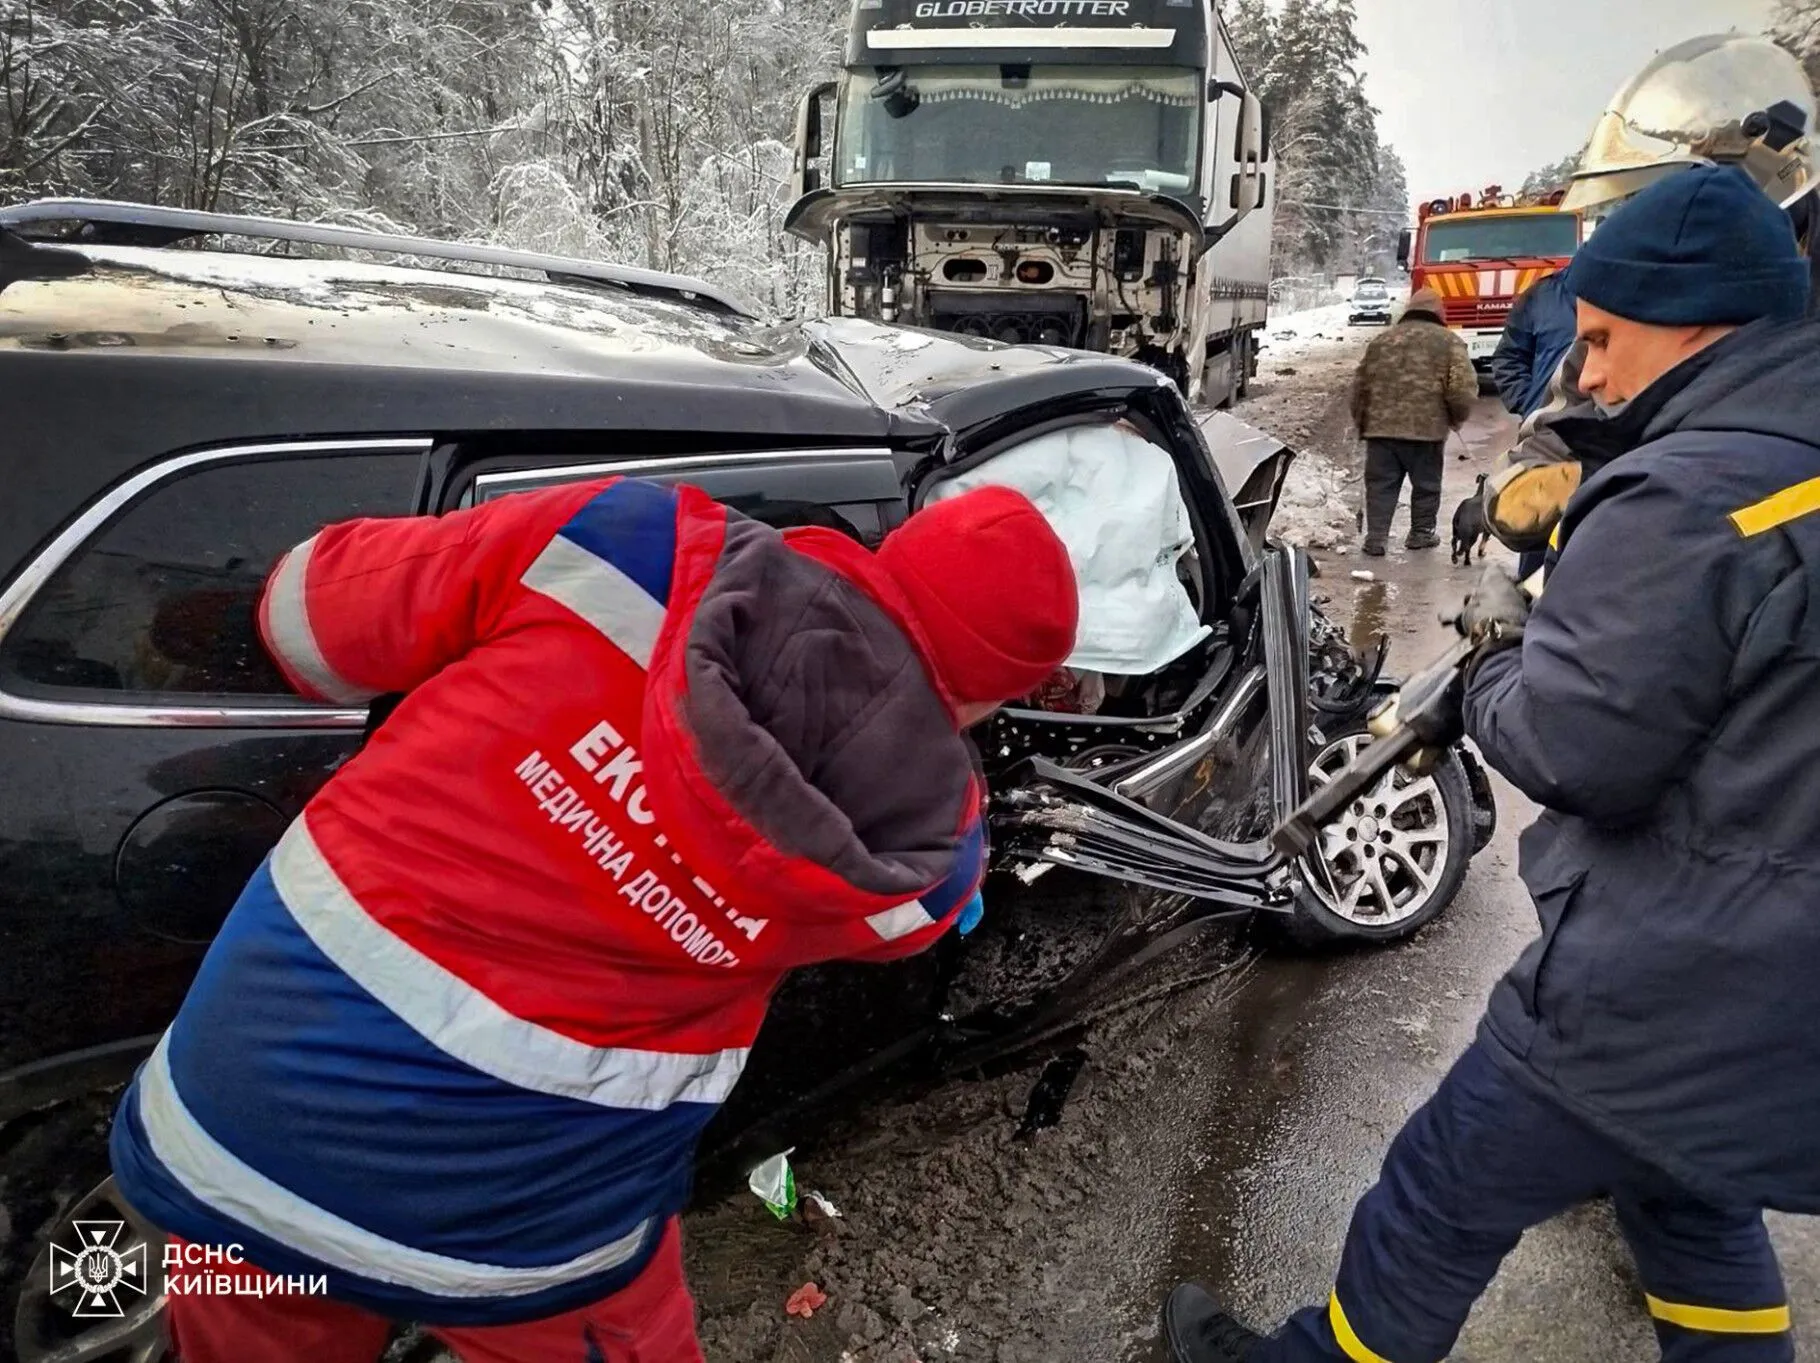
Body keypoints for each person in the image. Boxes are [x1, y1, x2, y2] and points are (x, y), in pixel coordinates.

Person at [108, 477, 1079, 1363]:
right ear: (990, 694)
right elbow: (911, 916)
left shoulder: (637, 542)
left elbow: (308, 615)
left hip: (241, 1124)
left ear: (893, 549)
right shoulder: (928, 855)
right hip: (520, 1226)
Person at [1164, 164, 1817, 1363]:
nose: (1589, 371)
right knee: (1688, 1195)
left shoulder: (1685, 499)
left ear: (1696, 320)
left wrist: (1493, 659)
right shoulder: (1783, 467)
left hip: (1668, 979)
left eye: (1604, 339)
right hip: (1780, 988)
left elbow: (1578, 750)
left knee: (1435, 1196)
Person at [1348, 287, 1478, 556]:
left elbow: (1360, 387)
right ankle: (1421, 533)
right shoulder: (1449, 342)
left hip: (1381, 430)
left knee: (1380, 486)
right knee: (1426, 486)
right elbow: (1462, 388)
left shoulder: (1382, 341)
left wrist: (1362, 423)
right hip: (1426, 431)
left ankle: (1376, 538)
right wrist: (1456, 417)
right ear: (1439, 312)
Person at [1488, 269, 1577, 420]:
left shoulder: (1622, 292)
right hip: (1547, 426)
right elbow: (1509, 357)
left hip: (1613, 427)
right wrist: (1530, 404)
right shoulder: (1542, 295)